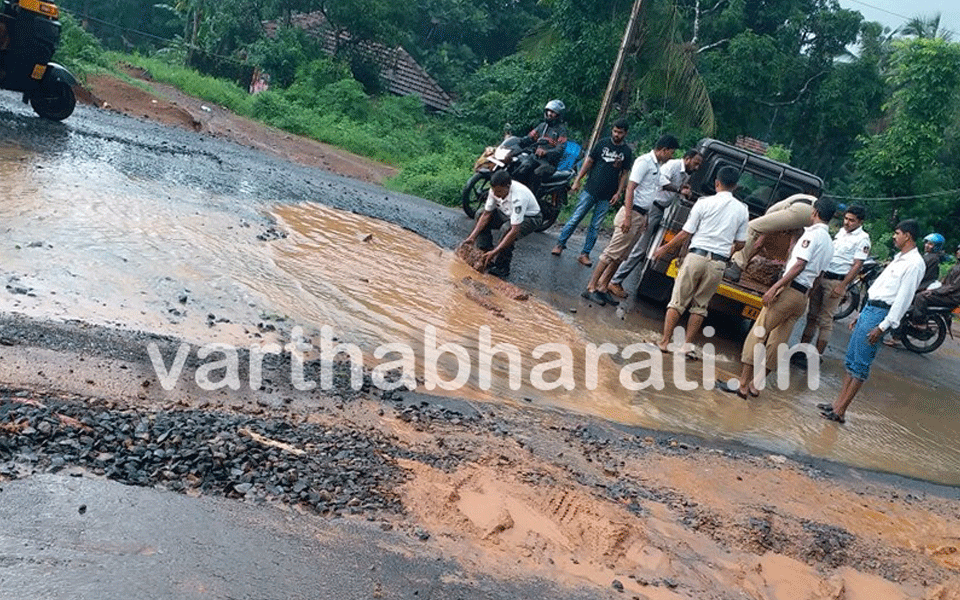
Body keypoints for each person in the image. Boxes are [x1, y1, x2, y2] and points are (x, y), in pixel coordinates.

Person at [723, 197, 837, 399]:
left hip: (789, 290)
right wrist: (806, 295)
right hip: (803, 296)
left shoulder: (810, 236)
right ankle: (756, 385)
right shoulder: (830, 243)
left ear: (814, 212)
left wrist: (775, 287)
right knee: (779, 340)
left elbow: (799, 265)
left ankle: (741, 385)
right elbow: (819, 275)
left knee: (759, 332)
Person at [820, 220, 926, 424]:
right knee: (851, 360)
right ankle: (837, 403)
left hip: (881, 315)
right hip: (871, 310)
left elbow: (902, 300)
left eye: (897, 233)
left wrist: (883, 326)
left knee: (860, 365)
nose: (894, 237)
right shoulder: (899, 258)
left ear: (908, 236)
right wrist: (861, 314)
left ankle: (841, 410)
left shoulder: (914, 264)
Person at [651, 166, 748, 356]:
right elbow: (742, 242)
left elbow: (686, 232)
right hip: (718, 263)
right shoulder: (742, 210)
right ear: (735, 186)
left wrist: (664, 248)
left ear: (716, 183)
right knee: (700, 306)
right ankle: (686, 346)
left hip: (696, 256)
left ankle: (664, 342)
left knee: (677, 301)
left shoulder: (704, 203)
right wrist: (731, 249)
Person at [581, 134, 679, 306]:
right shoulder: (644, 162)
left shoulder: (656, 165)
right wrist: (627, 216)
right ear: (664, 150)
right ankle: (591, 287)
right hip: (631, 213)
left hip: (640, 215)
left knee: (621, 256)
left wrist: (646, 217)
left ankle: (603, 286)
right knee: (611, 253)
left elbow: (650, 192)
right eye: (671, 152)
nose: (671, 156)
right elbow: (630, 189)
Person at [607, 149, 703, 299]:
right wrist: (679, 190)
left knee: (642, 249)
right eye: (695, 163)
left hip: (662, 210)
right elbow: (662, 183)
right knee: (639, 248)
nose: (697, 168)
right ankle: (614, 281)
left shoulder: (685, 173)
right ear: (688, 158)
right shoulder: (672, 166)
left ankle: (614, 279)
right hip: (653, 208)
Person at [551, 119, 633, 267]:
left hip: (607, 196)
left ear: (625, 133)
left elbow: (624, 174)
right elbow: (588, 162)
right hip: (590, 189)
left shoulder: (626, 152)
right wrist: (577, 180)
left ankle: (585, 254)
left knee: (595, 226)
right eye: (615, 131)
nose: (616, 135)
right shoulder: (602, 144)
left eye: (620, 132)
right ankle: (560, 244)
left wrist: (619, 193)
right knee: (575, 218)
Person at [797, 204, 871, 357]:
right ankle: (801, 351)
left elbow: (857, 265)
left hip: (837, 281)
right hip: (823, 276)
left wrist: (843, 286)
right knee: (811, 316)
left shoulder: (863, 239)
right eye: (845, 218)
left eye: (851, 220)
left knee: (825, 320)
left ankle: (817, 356)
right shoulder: (841, 232)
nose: (847, 222)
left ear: (860, 222)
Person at [461, 170, 542, 278]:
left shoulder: (519, 197)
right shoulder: (494, 190)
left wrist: (496, 251)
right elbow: (486, 215)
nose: (496, 195)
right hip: (507, 213)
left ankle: (502, 267)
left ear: (508, 186)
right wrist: (472, 237)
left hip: (530, 217)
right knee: (479, 213)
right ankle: (484, 253)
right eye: (494, 191)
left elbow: (514, 230)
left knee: (506, 229)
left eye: (499, 192)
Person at [724, 193, 817, 282]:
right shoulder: (789, 215)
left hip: (802, 209)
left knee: (752, 227)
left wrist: (742, 262)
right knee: (794, 247)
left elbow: (758, 244)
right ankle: (784, 277)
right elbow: (790, 247)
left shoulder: (772, 212)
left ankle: (735, 267)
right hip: (816, 212)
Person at [515, 99, 569, 194]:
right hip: (535, 158)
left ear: (558, 115)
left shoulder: (561, 131)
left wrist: (546, 152)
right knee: (521, 168)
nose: (549, 114)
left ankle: (531, 198)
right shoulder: (542, 126)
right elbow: (530, 137)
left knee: (536, 174)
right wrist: (516, 140)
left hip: (549, 163)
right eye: (549, 111)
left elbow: (560, 148)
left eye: (553, 112)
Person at [909, 243, 960, 325]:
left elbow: (952, 287)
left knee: (921, 297)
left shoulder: (933, 258)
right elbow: (945, 283)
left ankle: (919, 323)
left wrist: (934, 292)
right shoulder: (956, 266)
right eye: (958, 250)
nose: (958, 252)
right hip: (949, 294)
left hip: (952, 297)